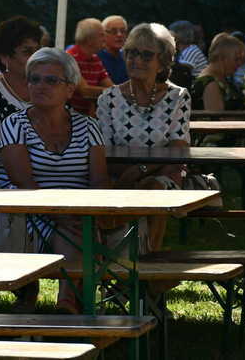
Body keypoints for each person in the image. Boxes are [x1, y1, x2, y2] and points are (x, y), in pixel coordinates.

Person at [0, 47, 109, 314]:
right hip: (28, 208)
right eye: (34, 79)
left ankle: (67, 301)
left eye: (50, 80)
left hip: (77, 210)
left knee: (78, 224)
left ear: (70, 89)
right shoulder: (14, 124)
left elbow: (100, 182)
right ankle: (69, 303)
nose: (40, 86)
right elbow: (22, 182)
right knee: (70, 227)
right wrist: (60, 213)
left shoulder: (89, 126)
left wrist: (89, 212)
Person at [97, 23, 190, 254]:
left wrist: (139, 170)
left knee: (153, 188)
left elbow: (177, 151)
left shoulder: (178, 96)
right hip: (118, 175)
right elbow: (104, 152)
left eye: (146, 55)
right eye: (130, 53)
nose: (136, 60)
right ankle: (119, 267)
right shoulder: (108, 98)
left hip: (164, 175)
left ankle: (149, 265)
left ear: (163, 62)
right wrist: (129, 175)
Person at [0, 16, 41, 130]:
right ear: (4, 57)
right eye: (27, 52)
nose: (36, 57)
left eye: (38, 51)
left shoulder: (51, 87)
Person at [192, 33, 245, 113]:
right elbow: (217, 122)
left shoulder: (221, 78)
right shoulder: (210, 83)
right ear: (222, 58)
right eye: (236, 59)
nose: (240, 63)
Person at [67, 18, 114, 116]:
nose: (105, 38)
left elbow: (111, 87)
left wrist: (116, 91)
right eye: (101, 35)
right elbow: (85, 91)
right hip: (69, 117)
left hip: (87, 118)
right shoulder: (69, 58)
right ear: (89, 40)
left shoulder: (95, 59)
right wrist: (117, 92)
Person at [97, 15, 129, 84]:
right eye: (114, 31)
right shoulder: (95, 56)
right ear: (103, 34)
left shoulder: (128, 59)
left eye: (123, 31)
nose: (119, 35)